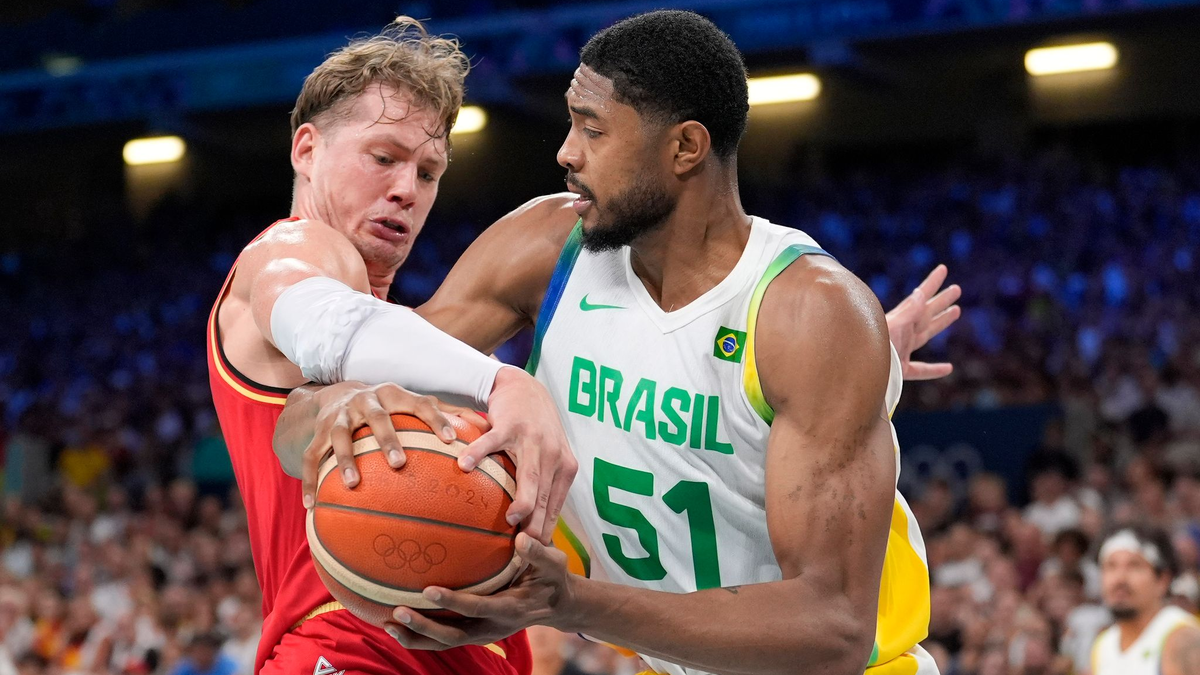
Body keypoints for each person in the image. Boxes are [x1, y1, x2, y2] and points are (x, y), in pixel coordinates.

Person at [277, 11, 962, 675]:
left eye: (593, 129)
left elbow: (833, 631)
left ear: (685, 148)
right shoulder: (547, 250)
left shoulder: (809, 315)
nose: (565, 152)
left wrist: (572, 603)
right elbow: (294, 424)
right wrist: (336, 408)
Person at [207, 17, 577, 675]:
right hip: (349, 648)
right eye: (383, 158)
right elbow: (320, 345)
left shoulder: (410, 339)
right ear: (306, 149)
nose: (407, 189)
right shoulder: (288, 250)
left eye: (429, 172)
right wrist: (504, 381)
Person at [1091, 526, 1200, 675]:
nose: (1119, 578)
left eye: (1134, 566)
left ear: (1162, 580)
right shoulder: (1103, 645)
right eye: (1111, 566)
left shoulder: (1183, 638)